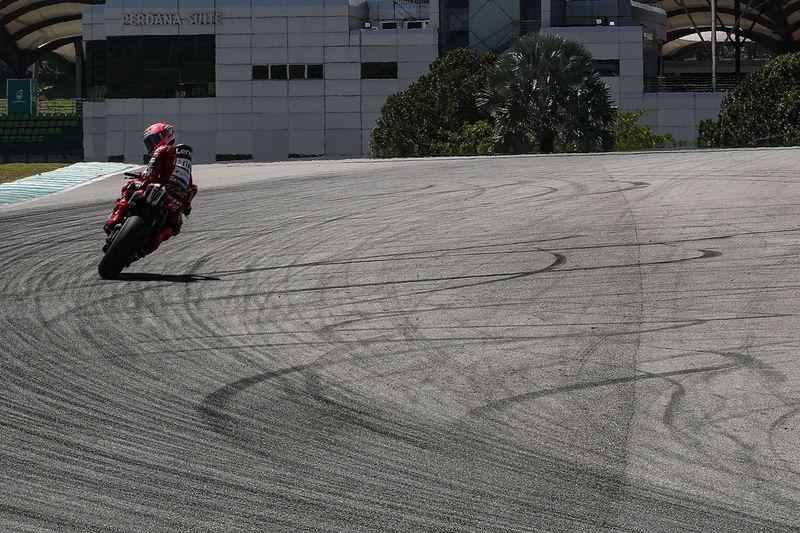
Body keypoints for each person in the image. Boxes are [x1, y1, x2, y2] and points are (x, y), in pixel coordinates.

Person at [104, 123, 198, 252]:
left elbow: (150, 173)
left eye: (153, 140)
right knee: (175, 227)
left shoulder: (163, 150)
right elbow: (192, 188)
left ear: (165, 136)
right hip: (176, 201)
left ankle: (115, 218)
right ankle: (155, 240)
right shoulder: (186, 168)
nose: (151, 144)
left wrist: (143, 181)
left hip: (157, 189)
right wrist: (186, 207)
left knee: (129, 186)